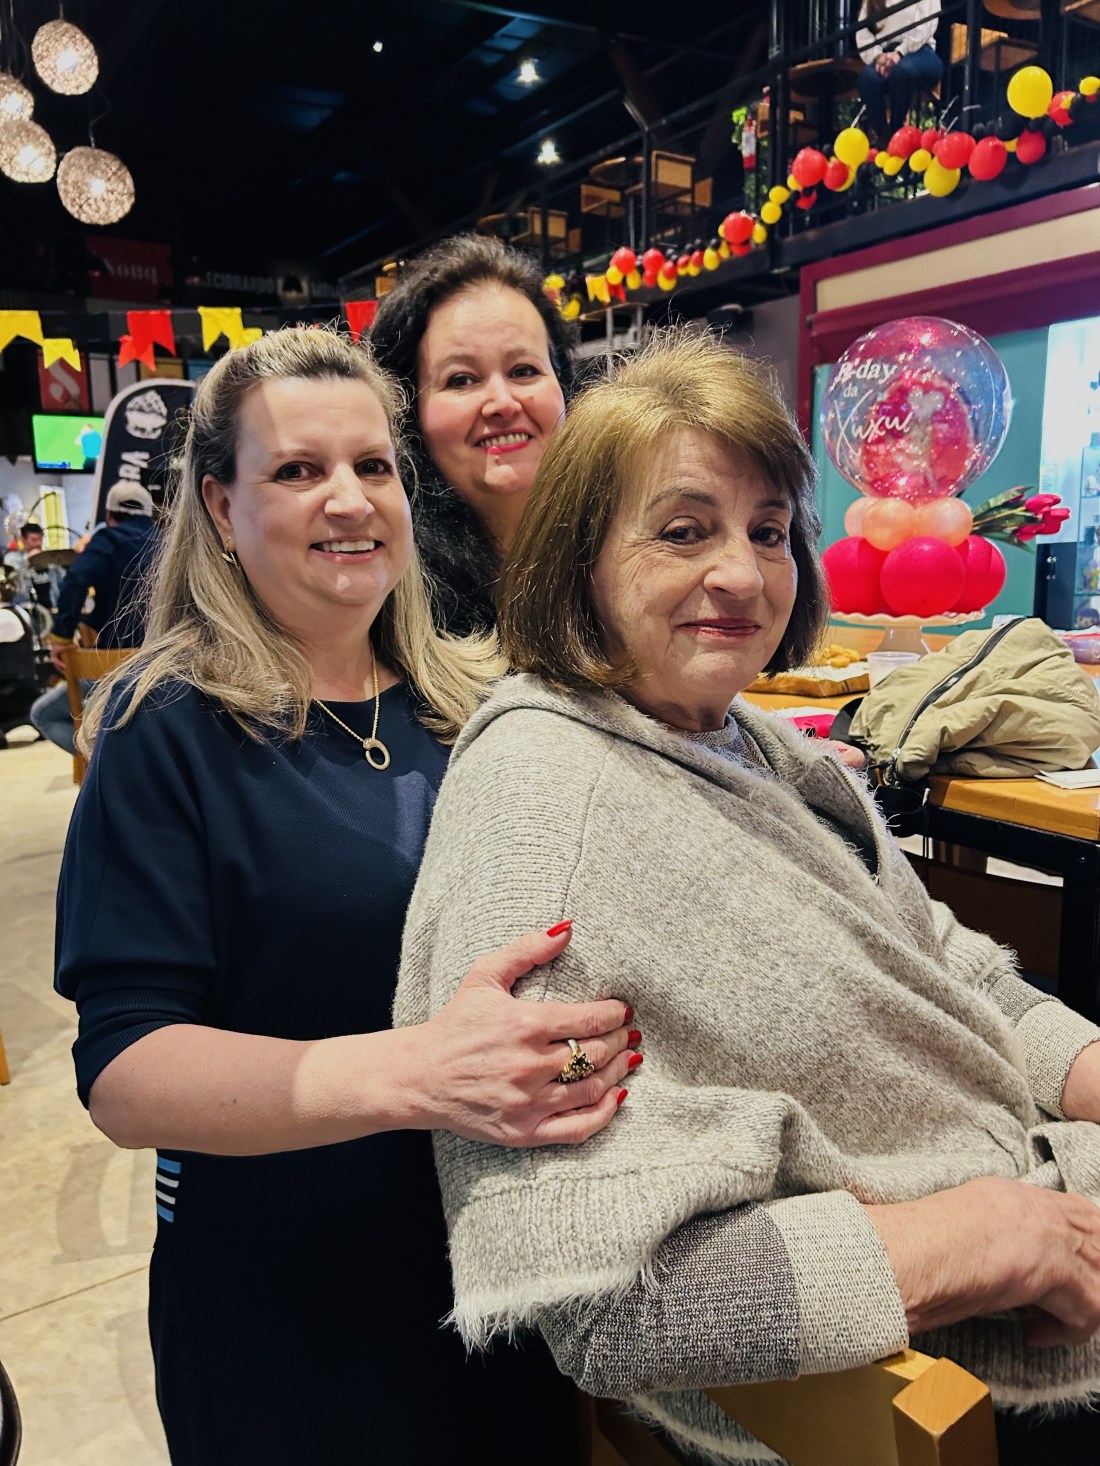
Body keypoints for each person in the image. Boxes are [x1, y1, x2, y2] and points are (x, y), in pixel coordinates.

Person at [395, 332, 1100, 1466]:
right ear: (579, 560)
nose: (741, 573)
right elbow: (604, 1302)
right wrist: (984, 1233)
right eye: (683, 532)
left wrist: (1084, 1067)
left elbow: (938, 958)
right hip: (936, 1364)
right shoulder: (543, 802)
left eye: (767, 532)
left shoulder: (756, 744)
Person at [54, 327, 639, 1465]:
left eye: (373, 466)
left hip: (497, 1283)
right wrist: (420, 1073)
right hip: (290, 1309)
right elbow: (126, 1072)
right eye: (297, 469)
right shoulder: (165, 725)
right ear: (221, 508)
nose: (349, 499)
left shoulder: (474, 703)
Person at [369, 232, 574, 635]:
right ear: (408, 414)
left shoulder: (625, 544)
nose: (502, 403)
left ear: (562, 384)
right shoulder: (384, 601)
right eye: (461, 379)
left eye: (524, 371)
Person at [31, 484, 161, 755]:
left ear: (109, 515)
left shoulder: (107, 541)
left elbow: (77, 579)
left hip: (116, 670)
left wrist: (61, 636)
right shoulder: (167, 542)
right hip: (166, 672)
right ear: (149, 514)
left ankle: (112, 765)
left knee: (44, 714)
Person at [856, 0, 943, 144]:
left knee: (901, 72)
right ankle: (882, 136)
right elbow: (863, 34)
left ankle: (897, 132)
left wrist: (900, 52)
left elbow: (926, 25)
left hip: (919, 50)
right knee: (867, 78)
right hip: (884, 55)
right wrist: (878, 56)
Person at [3, 519, 63, 613]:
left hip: (53, 608)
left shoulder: (51, 559)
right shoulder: (13, 558)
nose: (38, 544)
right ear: (23, 539)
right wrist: (28, 561)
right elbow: (15, 584)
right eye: (34, 540)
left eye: (40, 539)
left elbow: (61, 583)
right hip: (26, 608)